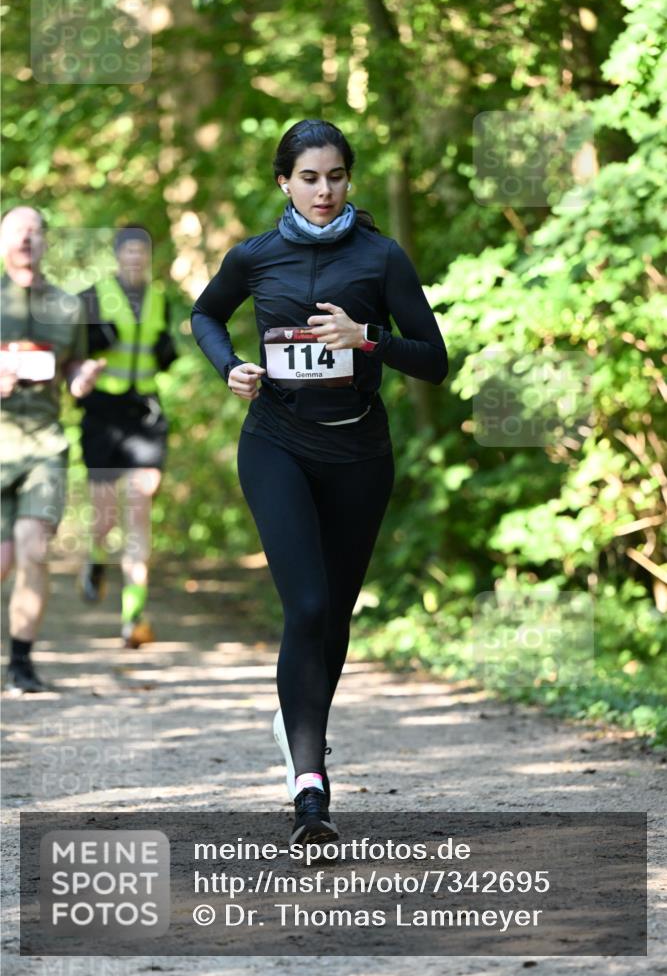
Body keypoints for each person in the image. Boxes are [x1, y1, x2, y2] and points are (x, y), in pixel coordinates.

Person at [192, 119, 447, 844]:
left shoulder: (380, 257)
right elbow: (204, 315)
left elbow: (434, 360)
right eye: (309, 177)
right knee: (304, 605)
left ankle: (299, 721)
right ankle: (310, 786)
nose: (324, 190)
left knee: (333, 615)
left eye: (335, 176)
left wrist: (366, 339)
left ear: (348, 179)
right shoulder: (255, 256)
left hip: (359, 454)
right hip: (275, 443)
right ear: (284, 182)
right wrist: (230, 366)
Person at [1, 206, 105, 694]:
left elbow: (72, 364)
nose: (26, 239)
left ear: (45, 242)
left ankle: (20, 663)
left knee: (33, 547)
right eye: (16, 231)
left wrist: (80, 377)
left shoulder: (66, 307)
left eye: (34, 232)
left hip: (44, 444)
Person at [77, 224, 178, 648]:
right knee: (106, 518)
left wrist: (166, 351)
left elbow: (162, 348)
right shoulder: (92, 296)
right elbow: (74, 351)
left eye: (143, 252)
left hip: (144, 414)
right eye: (129, 251)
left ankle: (132, 616)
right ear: (118, 256)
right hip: (102, 414)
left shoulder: (160, 301)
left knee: (140, 509)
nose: (136, 258)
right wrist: (97, 340)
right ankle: (95, 559)